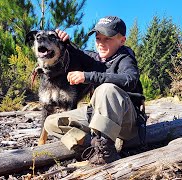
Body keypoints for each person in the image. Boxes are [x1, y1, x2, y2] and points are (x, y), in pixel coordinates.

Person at [44, 16, 144, 165]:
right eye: (98, 38)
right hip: (98, 118)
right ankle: (93, 146)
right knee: (51, 122)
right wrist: (64, 42)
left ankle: (105, 153)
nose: (101, 44)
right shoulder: (94, 58)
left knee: (106, 89)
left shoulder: (125, 58)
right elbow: (74, 53)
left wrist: (87, 76)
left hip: (127, 124)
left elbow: (130, 80)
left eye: (107, 39)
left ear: (122, 40)